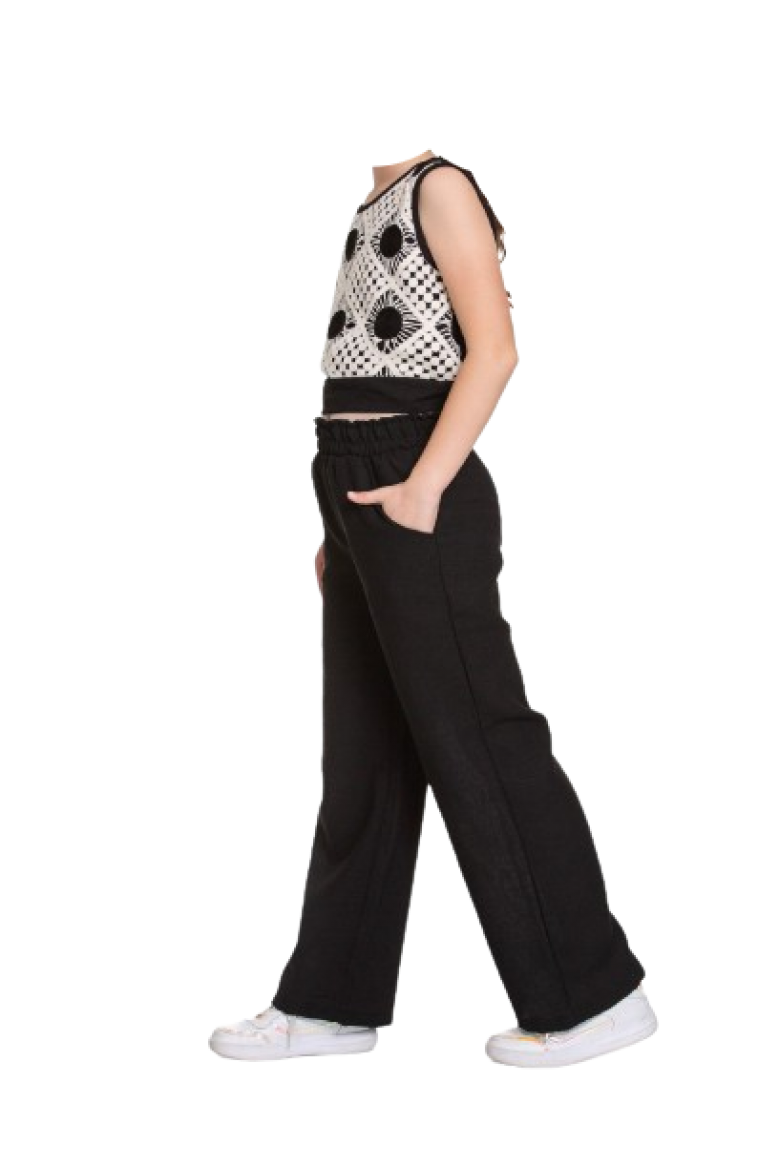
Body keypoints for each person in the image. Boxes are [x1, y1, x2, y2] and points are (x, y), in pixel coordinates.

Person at [209, 149, 658, 1069]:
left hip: (420, 474)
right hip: (354, 485)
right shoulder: (370, 195)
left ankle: (596, 998)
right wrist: (339, 530)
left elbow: (496, 349)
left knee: (481, 742)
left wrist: (420, 490)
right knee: (364, 755)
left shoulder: (439, 186)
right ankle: (330, 1004)